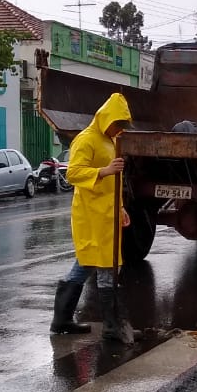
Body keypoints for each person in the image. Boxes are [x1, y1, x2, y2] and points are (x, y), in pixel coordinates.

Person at [50, 92, 138, 344]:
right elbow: (73, 173)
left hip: (107, 213)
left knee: (86, 263)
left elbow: (114, 182)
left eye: (122, 126)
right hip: (91, 214)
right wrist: (104, 170)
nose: (119, 129)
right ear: (105, 118)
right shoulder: (86, 140)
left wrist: (120, 207)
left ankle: (62, 320)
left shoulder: (110, 141)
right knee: (105, 267)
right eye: (117, 124)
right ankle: (112, 327)